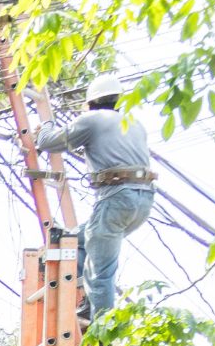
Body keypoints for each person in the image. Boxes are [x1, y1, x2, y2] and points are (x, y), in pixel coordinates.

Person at [33, 71, 154, 321]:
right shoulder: (134, 123)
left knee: (101, 273)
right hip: (143, 202)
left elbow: (48, 142)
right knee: (75, 239)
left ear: (91, 102)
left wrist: (45, 125)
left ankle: (101, 331)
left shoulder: (93, 120)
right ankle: (89, 304)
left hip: (115, 199)